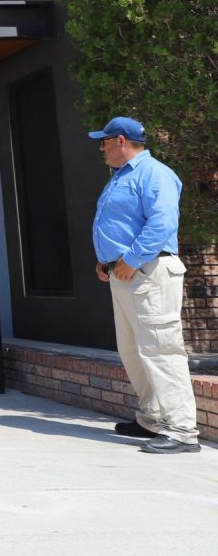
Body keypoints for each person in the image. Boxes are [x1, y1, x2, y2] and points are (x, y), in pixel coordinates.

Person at [89, 116, 198, 454]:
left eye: (104, 141)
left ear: (121, 140)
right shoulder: (121, 177)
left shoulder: (155, 174)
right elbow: (121, 225)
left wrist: (131, 259)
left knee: (161, 349)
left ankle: (182, 431)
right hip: (125, 274)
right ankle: (153, 418)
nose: (102, 148)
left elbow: (162, 222)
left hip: (148, 272)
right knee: (133, 351)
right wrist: (107, 260)